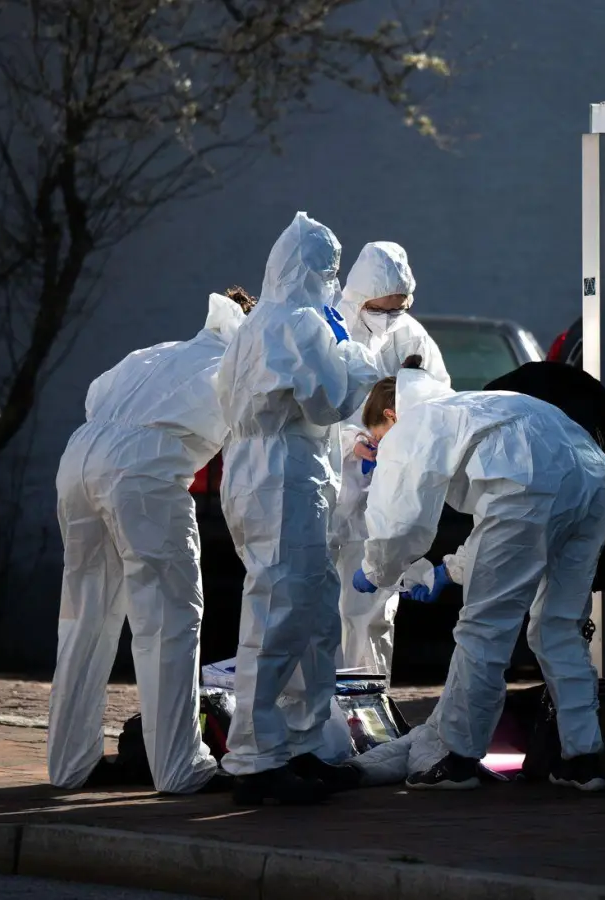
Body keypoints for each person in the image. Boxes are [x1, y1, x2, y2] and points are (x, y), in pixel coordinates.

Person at [351, 358, 605, 792]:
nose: (380, 451)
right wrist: (449, 570)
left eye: (377, 441)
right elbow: (506, 509)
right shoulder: (476, 407)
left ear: (390, 416)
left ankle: (457, 759)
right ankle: (583, 760)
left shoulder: (414, 425)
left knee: (483, 631)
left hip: (531, 490)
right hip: (592, 483)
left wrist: (375, 570)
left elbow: (400, 520)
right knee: (558, 628)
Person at [47, 288, 254, 795]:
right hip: (144, 470)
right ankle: (179, 766)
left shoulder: (158, 352)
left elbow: (96, 394)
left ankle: (70, 765)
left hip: (79, 460)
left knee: (83, 617)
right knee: (169, 619)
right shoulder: (239, 364)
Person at [215, 211, 381, 806]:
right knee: (282, 612)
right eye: (331, 268)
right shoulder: (301, 322)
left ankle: (301, 744)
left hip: (258, 469)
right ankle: (257, 757)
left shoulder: (255, 324)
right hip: (285, 471)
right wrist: (359, 367)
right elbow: (328, 402)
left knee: (308, 613)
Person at [330, 241, 450, 679]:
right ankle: (311, 718)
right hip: (332, 482)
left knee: (373, 613)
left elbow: (436, 400)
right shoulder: (331, 327)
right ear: (360, 299)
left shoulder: (411, 335)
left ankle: (366, 713)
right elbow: (311, 405)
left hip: (384, 486)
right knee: (316, 610)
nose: (389, 316)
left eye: (398, 307)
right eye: (381, 308)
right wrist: (348, 441)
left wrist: (397, 442)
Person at [482, 361, 605, 595]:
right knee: (563, 616)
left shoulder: (490, 418)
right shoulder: (577, 398)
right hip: (586, 505)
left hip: (542, 519)